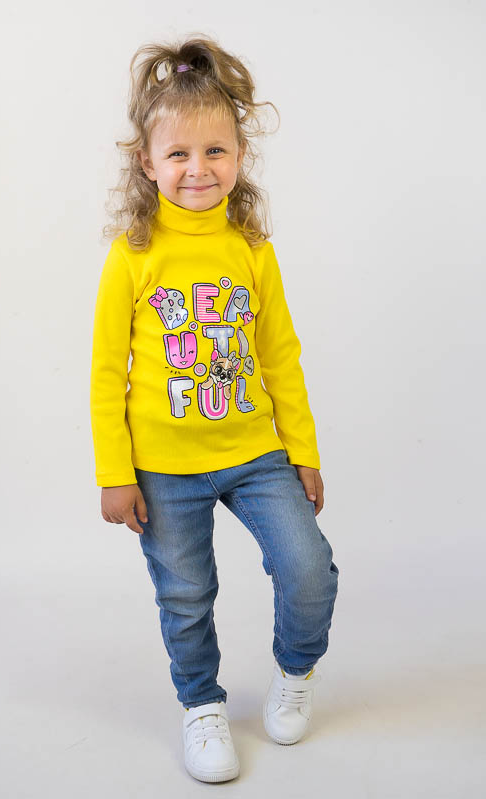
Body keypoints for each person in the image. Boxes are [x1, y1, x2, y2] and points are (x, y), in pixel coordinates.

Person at [90, 33, 339, 783]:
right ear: (146, 162)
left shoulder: (251, 247)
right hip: (163, 468)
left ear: (239, 155)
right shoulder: (133, 254)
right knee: (187, 593)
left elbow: (280, 355)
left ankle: (296, 670)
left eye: (215, 151)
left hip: (255, 452)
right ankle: (201, 704)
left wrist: (302, 451)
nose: (197, 168)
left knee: (309, 567)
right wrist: (115, 472)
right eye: (178, 154)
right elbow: (106, 373)